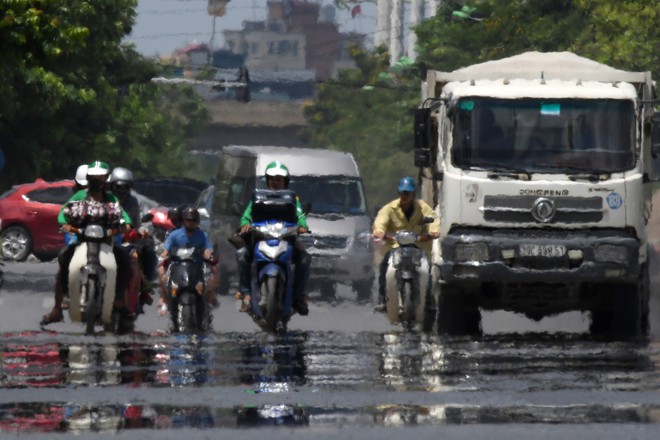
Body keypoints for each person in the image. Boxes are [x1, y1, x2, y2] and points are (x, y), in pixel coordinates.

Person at [40, 161, 134, 326]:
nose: (97, 181)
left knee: (126, 261)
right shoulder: (79, 197)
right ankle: (57, 309)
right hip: (82, 240)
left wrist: (124, 227)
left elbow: (125, 218)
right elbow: (63, 214)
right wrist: (65, 225)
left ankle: (119, 299)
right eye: (94, 177)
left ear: (106, 179)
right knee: (63, 258)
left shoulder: (112, 199)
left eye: (100, 177)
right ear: (89, 178)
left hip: (107, 242)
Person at [232, 161, 311, 316]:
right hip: (260, 239)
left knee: (305, 259)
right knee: (241, 255)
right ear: (267, 181)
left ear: (285, 182)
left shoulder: (292, 198)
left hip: (287, 239)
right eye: (272, 179)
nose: (275, 182)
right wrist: (245, 225)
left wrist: (302, 226)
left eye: (279, 179)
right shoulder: (258, 197)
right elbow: (246, 216)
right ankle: (246, 294)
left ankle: (297, 297)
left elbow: (301, 216)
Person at [371, 177, 440, 313]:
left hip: (417, 245)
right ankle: (382, 300)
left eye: (407, 193)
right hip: (395, 246)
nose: (405, 196)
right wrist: (379, 231)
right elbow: (381, 220)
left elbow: (434, 218)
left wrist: (433, 231)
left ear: (413, 194)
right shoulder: (390, 208)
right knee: (384, 266)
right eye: (402, 193)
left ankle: (429, 301)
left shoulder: (422, 207)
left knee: (428, 269)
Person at [109, 166, 156, 310]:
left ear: (130, 187)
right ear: (111, 186)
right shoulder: (104, 201)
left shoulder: (138, 202)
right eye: (118, 186)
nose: (121, 190)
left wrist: (144, 230)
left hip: (132, 241)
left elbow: (146, 220)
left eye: (125, 186)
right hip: (106, 240)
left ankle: (145, 287)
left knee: (149, 253)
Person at [158, 207, 219, 309]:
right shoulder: (174, 234)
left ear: (198, 221)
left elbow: (207, 247)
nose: (191, 223)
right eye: (189, 220)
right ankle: (164, 299)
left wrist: (208, 253)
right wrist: (164, 253)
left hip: (197, 265)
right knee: (160, 272)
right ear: (183, 221)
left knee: (215, 270)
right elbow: (167, 246)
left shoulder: (202, 235)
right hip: (177, 265)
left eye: (194, 220)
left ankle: (210, 296)